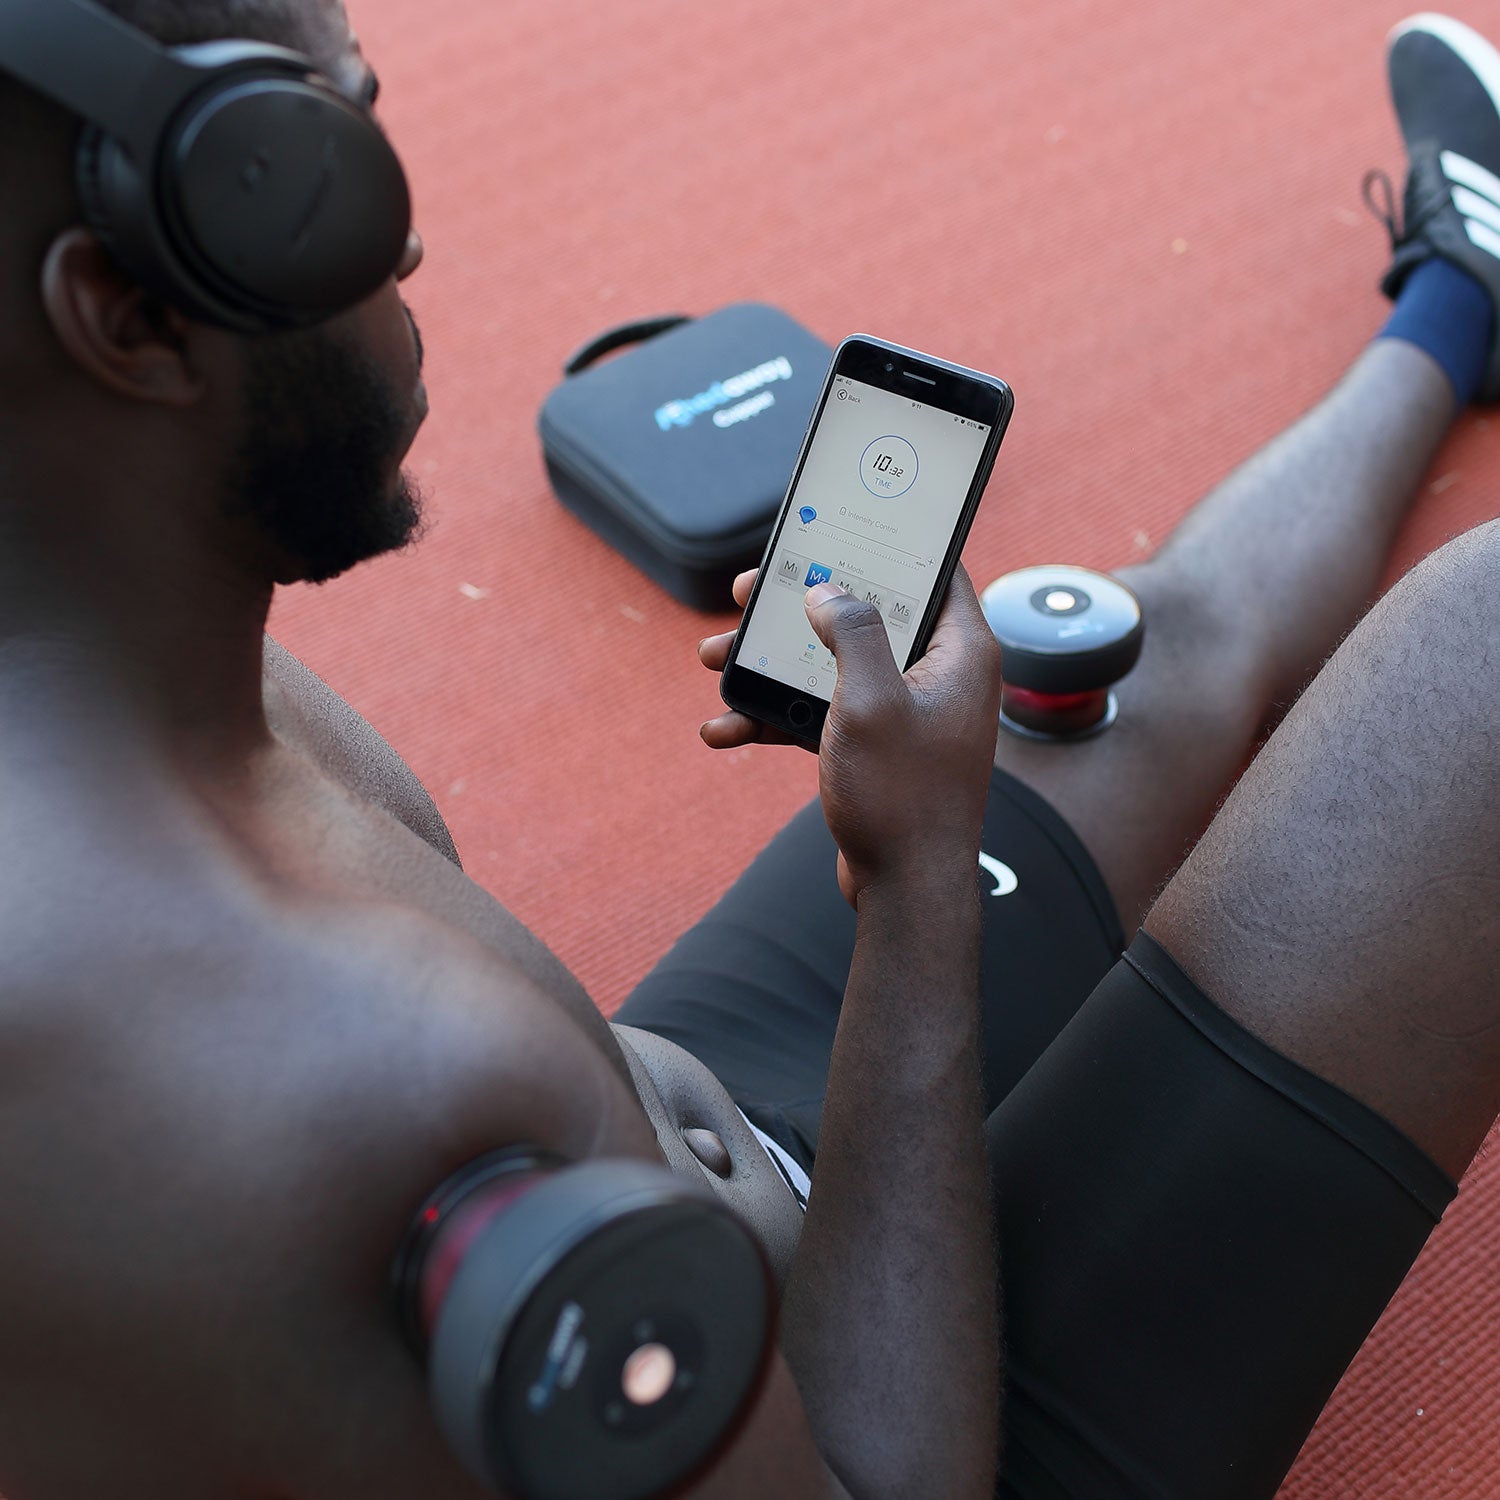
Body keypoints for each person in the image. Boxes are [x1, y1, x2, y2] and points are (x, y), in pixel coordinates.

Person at [0, 0, 1493, 1495]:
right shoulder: (323, 1093)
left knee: (1104, 646)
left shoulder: (114, 650)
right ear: (128, 317)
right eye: (329, 163)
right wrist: (915, 886)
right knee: (1476, 650)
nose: (411, 245)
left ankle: (1459, 296)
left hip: (687, 1144)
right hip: (881, 1424)